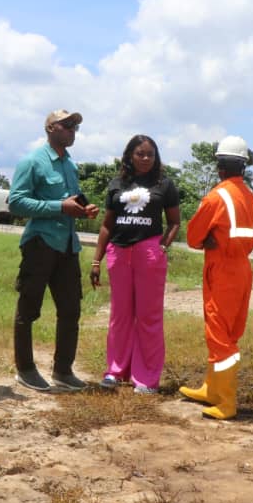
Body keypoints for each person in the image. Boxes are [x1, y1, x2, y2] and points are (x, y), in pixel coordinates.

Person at [8, 109, 99, 391]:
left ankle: (63, 371)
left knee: (71, 310)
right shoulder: (32, 161)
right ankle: (25, 369)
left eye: (75, 127)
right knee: (28, 309)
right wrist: (59, 207)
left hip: (68, 246)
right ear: (50, 128)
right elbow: (16, 203)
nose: (73, 130)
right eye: (67, 125)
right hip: (41, 244)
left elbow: (70, 203)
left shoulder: (70, 165)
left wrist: (82, 210)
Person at [178, 136, 253, 420]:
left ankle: (225, 402)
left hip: (221, 269)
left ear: (220, 166)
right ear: (244, 166)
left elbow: (192, 237)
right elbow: (251, 237)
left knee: (219, 333)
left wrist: (210, 240)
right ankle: (211, 389)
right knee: (228, 331)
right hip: (242, 269)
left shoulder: (217, 197)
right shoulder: (251, 198)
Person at [90, 135, 180, 394]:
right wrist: (97, 259)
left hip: (148, 254)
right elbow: (107, 224)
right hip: (119, 254)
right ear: (129, 155)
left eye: (150, 154)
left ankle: (146, 378)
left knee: (148, 317)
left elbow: (174, 221)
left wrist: (162, 246)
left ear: (156, 157)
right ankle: (115, 372)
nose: (145, 158)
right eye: (140, 154)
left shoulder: (164, 184)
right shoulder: (117, 184)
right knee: (120, 317)